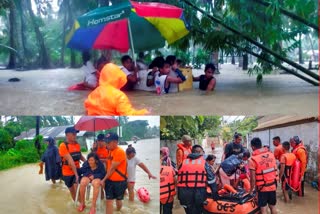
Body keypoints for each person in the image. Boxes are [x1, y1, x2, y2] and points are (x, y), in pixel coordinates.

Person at [84, 63, 149, 115]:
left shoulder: (93, 93)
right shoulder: (119, 96)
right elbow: (128, 113)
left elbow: (87, 106)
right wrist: (143, 112)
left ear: (103, 76)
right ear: (118, 77)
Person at [177, 145, 218, 214]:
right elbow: (211, 180)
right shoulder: (204, 163)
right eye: (203, 152)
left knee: (189, 211)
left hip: (183, 194)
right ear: (199, 152)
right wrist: (215, 194)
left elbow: (179, 177)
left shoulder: (183, 162)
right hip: (198, 193)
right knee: (199, 211)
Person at [249, 137, 278, 214]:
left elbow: (252, 179)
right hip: (273, 186)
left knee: (263, 209)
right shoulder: (271, 154)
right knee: (273, 206)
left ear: (252, 147)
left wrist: (251, 190)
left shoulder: (253, 159)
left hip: (262, 189)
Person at [100, 133, 127, 214]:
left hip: (119, 182)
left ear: (115, 142)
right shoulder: (110, 151)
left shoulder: (119, 152)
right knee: (109, 201)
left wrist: (103, 180)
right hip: (110, 180)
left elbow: (112, 169)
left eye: (108, 142)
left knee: (118, 200)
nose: (106, 144)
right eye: (106, 142)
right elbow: (108, 161)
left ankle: (118, 211)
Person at [59, 127, 86, 201]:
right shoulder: (63, 146)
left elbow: (80, 156)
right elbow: (70, 161)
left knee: (78, 189)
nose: (75, 135)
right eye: (73, 134)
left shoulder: (77, 144)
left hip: (77, 170)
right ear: (67, 135)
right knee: (72, 191)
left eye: (76, 134)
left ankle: (82, 204)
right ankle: (76, 204)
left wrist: (88, 163)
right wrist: (76, 174)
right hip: (67, 173)